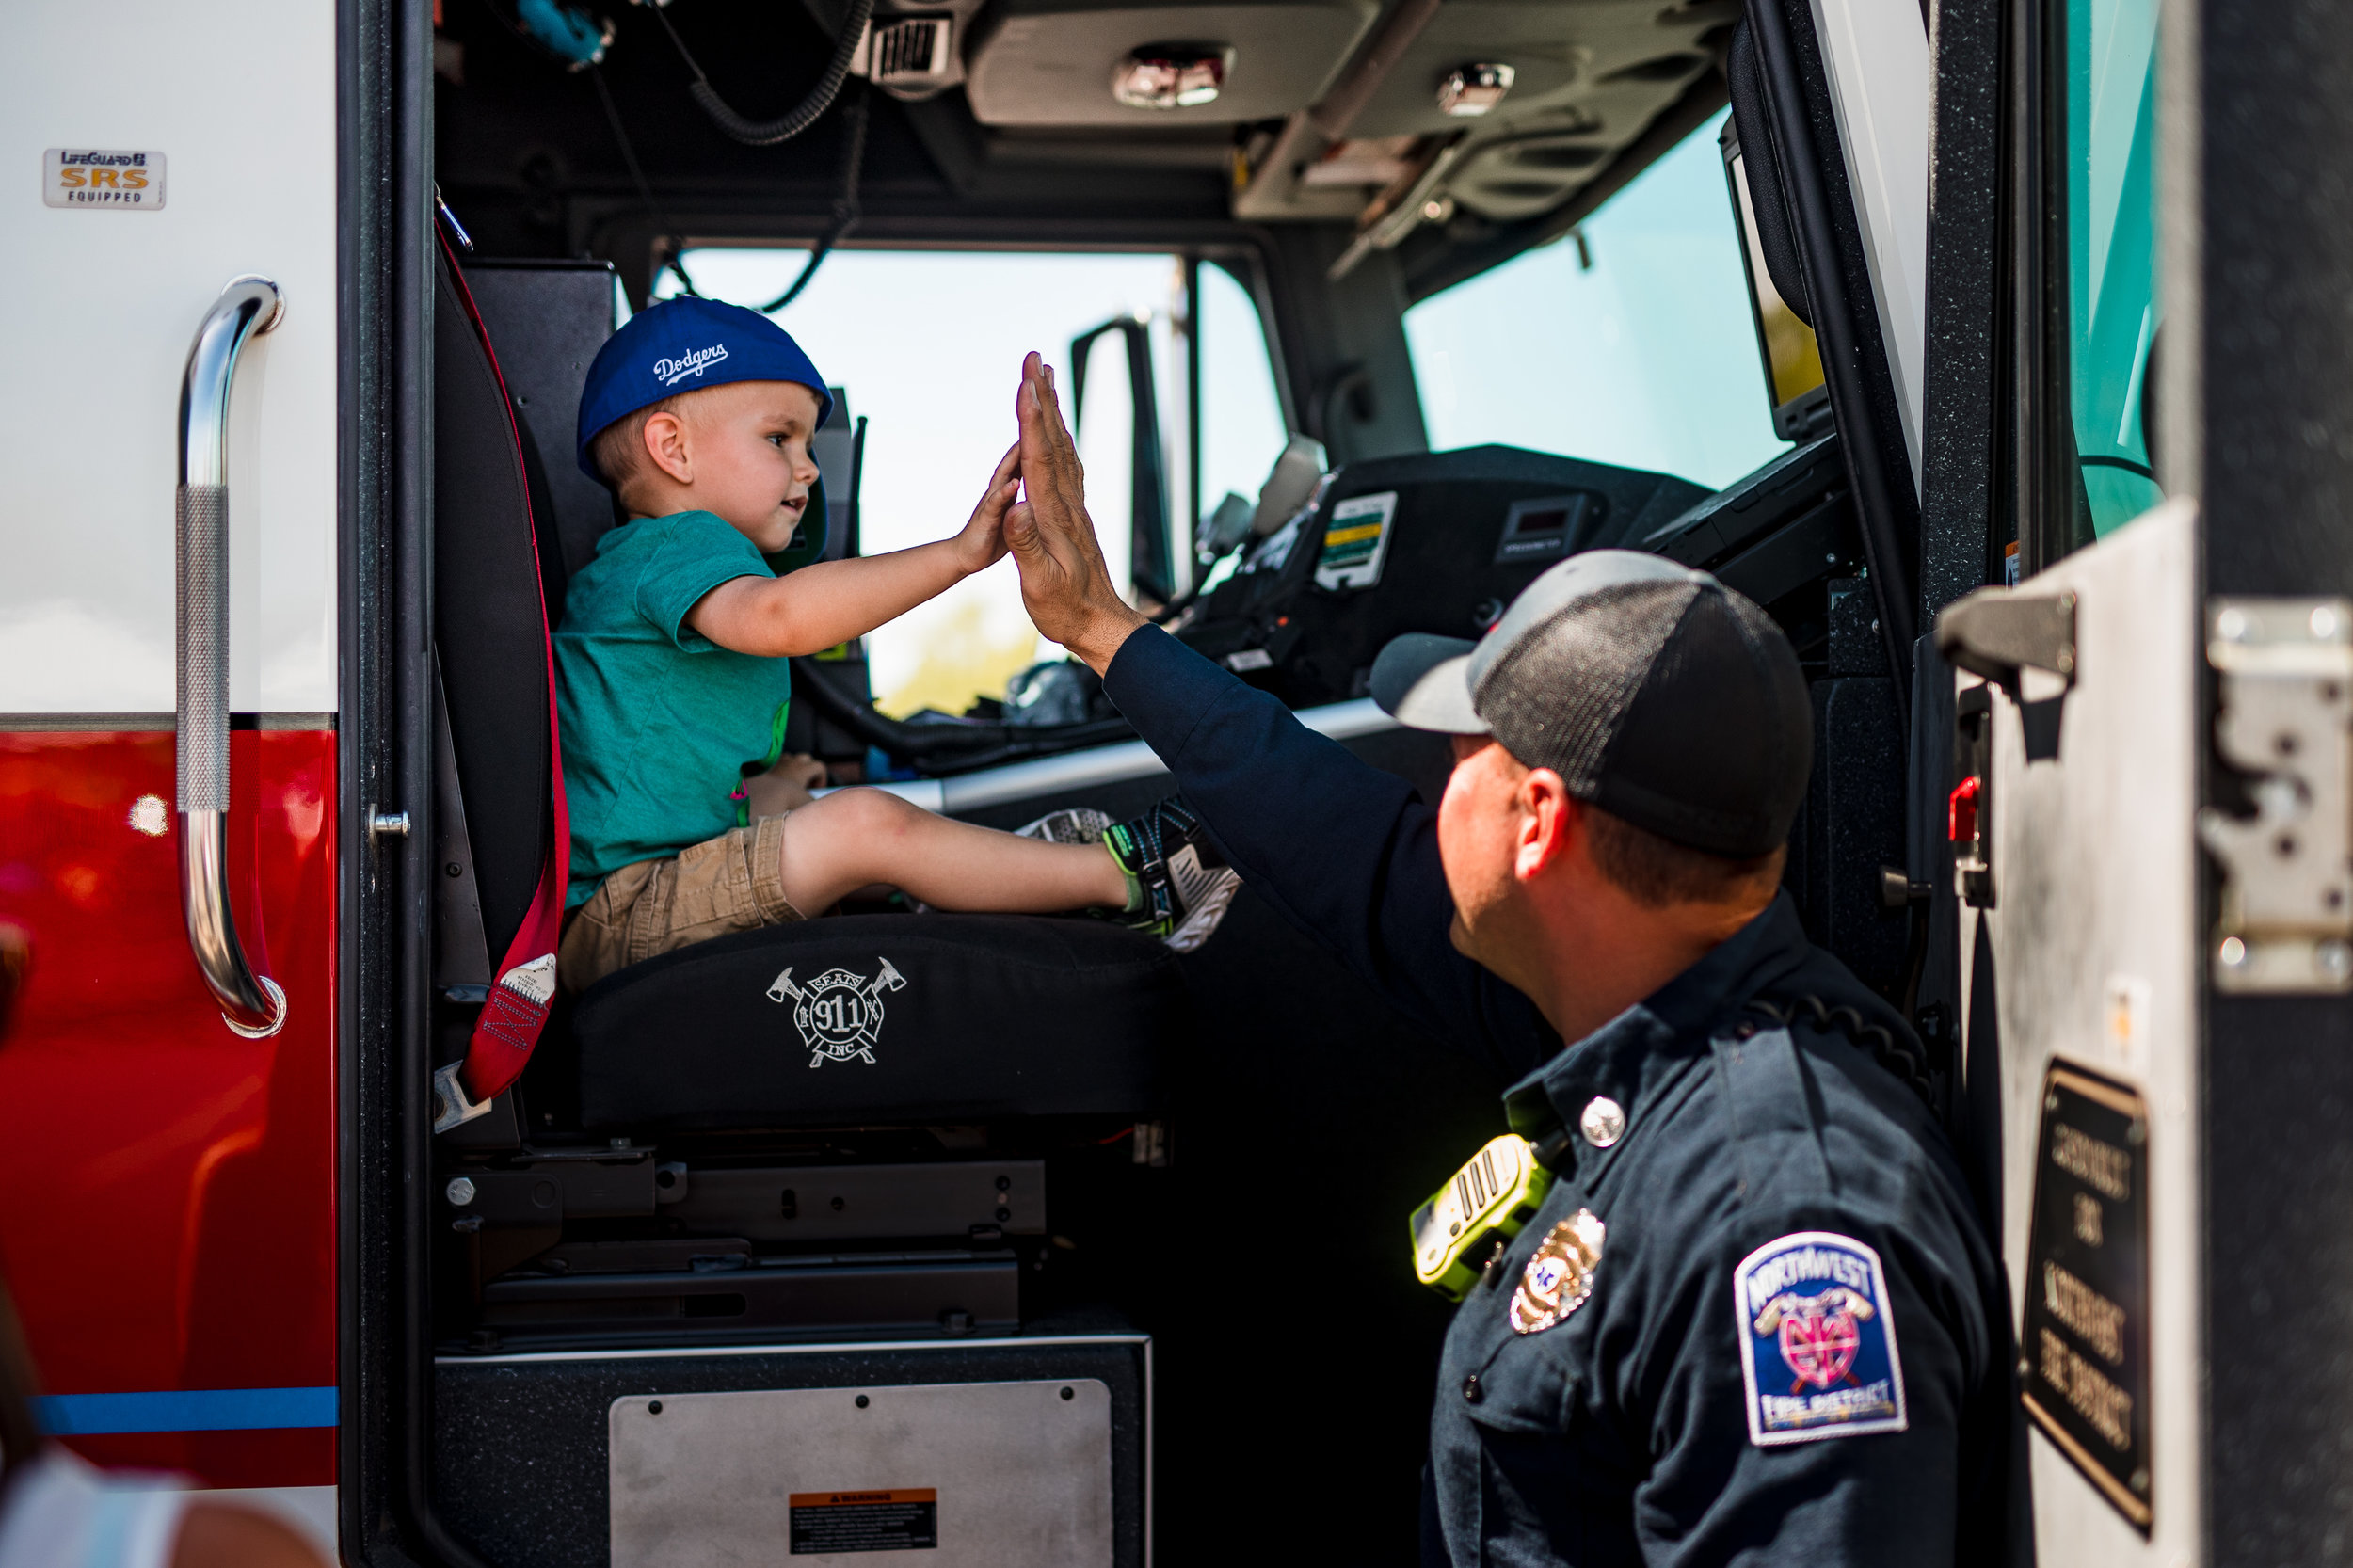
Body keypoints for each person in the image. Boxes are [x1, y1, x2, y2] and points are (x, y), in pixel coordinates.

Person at [997, 353, 2009, 1564]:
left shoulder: (1779, 1212)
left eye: (1458, 749)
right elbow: (1338, 839)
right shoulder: (1633, 1009)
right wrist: (1106, 633)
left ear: (1535, 821)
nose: (1429, 785)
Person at [554, 298, 1234, 989]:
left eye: (810, 444)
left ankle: (987, 884)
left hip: (643, 893)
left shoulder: (660, 564)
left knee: (817, 810)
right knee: (864, 827)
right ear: (673, 449)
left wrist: (773, 785)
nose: (809, 467)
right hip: (624, 912)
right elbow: (781, 618)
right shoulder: (673, 546)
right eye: (778, 439)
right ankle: (1131, 878)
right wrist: (959, 554)